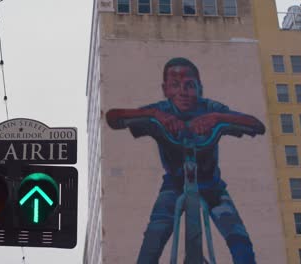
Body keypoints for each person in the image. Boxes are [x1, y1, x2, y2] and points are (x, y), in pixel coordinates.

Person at [106, 58, 265, 264]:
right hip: (174, 185)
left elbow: (256, 125)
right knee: (152, 242)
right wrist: (154, 115)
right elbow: (112, 117)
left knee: (240, 243)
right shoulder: (161, 110)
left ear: (200, 88)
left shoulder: (210, 108)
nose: (183, 91)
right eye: (175, 85)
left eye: (189, 85)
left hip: (211, 185)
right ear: (165, 90)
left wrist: (217, 118)